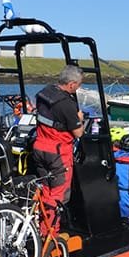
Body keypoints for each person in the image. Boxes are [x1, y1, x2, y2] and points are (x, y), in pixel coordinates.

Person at [33, 65, 85, 226]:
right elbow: (78, 133)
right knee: (59, 195)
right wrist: (80, 119)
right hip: (58, 153)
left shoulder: (45, 93)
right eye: (79, 84)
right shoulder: (66, 103)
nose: (79, 87)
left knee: (45, 189)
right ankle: (50, 234)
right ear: (71, 84)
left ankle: (38, 225)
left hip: (39, 147)